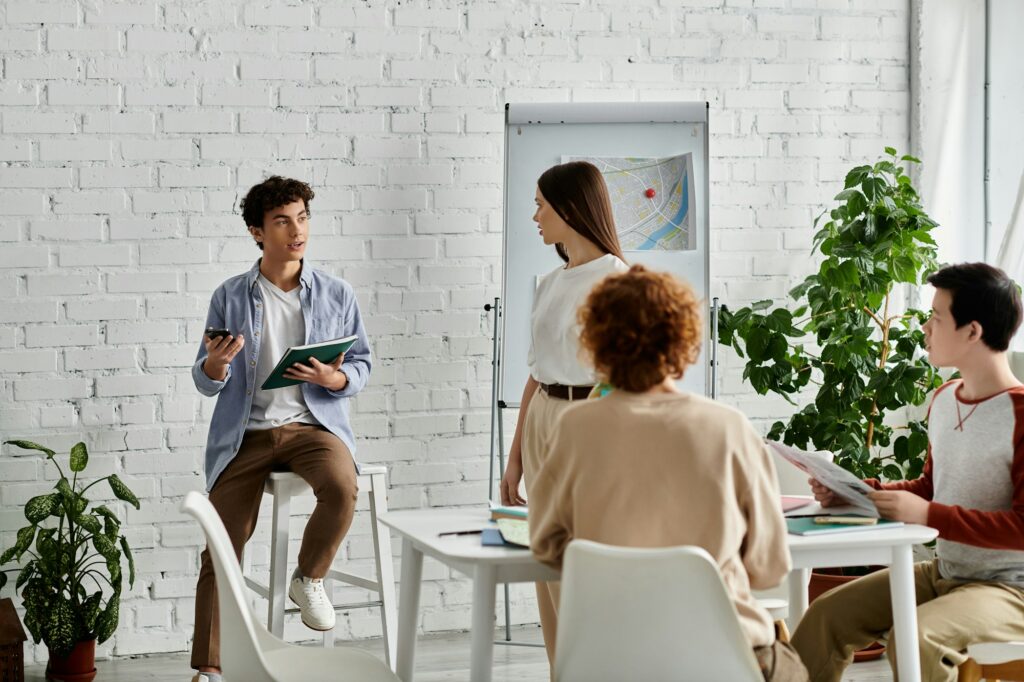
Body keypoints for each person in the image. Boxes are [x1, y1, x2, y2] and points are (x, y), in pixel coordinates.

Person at [529, 265, 808, 681]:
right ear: (684, 340)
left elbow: (547, 546)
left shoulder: (575, 428)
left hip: (607, 659)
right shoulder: (729, 428)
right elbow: (768, 567)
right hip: (725, 659)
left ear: (596, 343)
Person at [791, 262, 1024, 682]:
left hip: (1012, 591)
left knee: (915, 639)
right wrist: (863, 491)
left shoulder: (1022, 414)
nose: (926, 329)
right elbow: (932, 488)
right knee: (825, 616)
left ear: (972, 331)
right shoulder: (945, 399)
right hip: (947, 573)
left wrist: (926, 515)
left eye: (937, 318)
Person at [188, 177, 371, 682]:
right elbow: (204, 381)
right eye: (283, 221)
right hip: (245, 434)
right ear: (257, 232)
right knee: (221, 544)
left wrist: (334, 377)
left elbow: (362, 364)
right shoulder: (230, 295)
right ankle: (209, 668)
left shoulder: (337, 293)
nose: (297, 231)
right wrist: (217, 366)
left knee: (342, 486)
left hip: (312, 426)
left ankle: (309, 577)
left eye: (303, 218)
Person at [499, 160, 628, 664]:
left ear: (570, 208)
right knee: (546, 562)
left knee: (582, 563)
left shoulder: (616, 281)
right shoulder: (551, 282)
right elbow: (536, 372)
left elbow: (619, 378)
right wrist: (516, 459)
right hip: (542, 420)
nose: (534, 215)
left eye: (540, 204)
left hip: (589, 424)